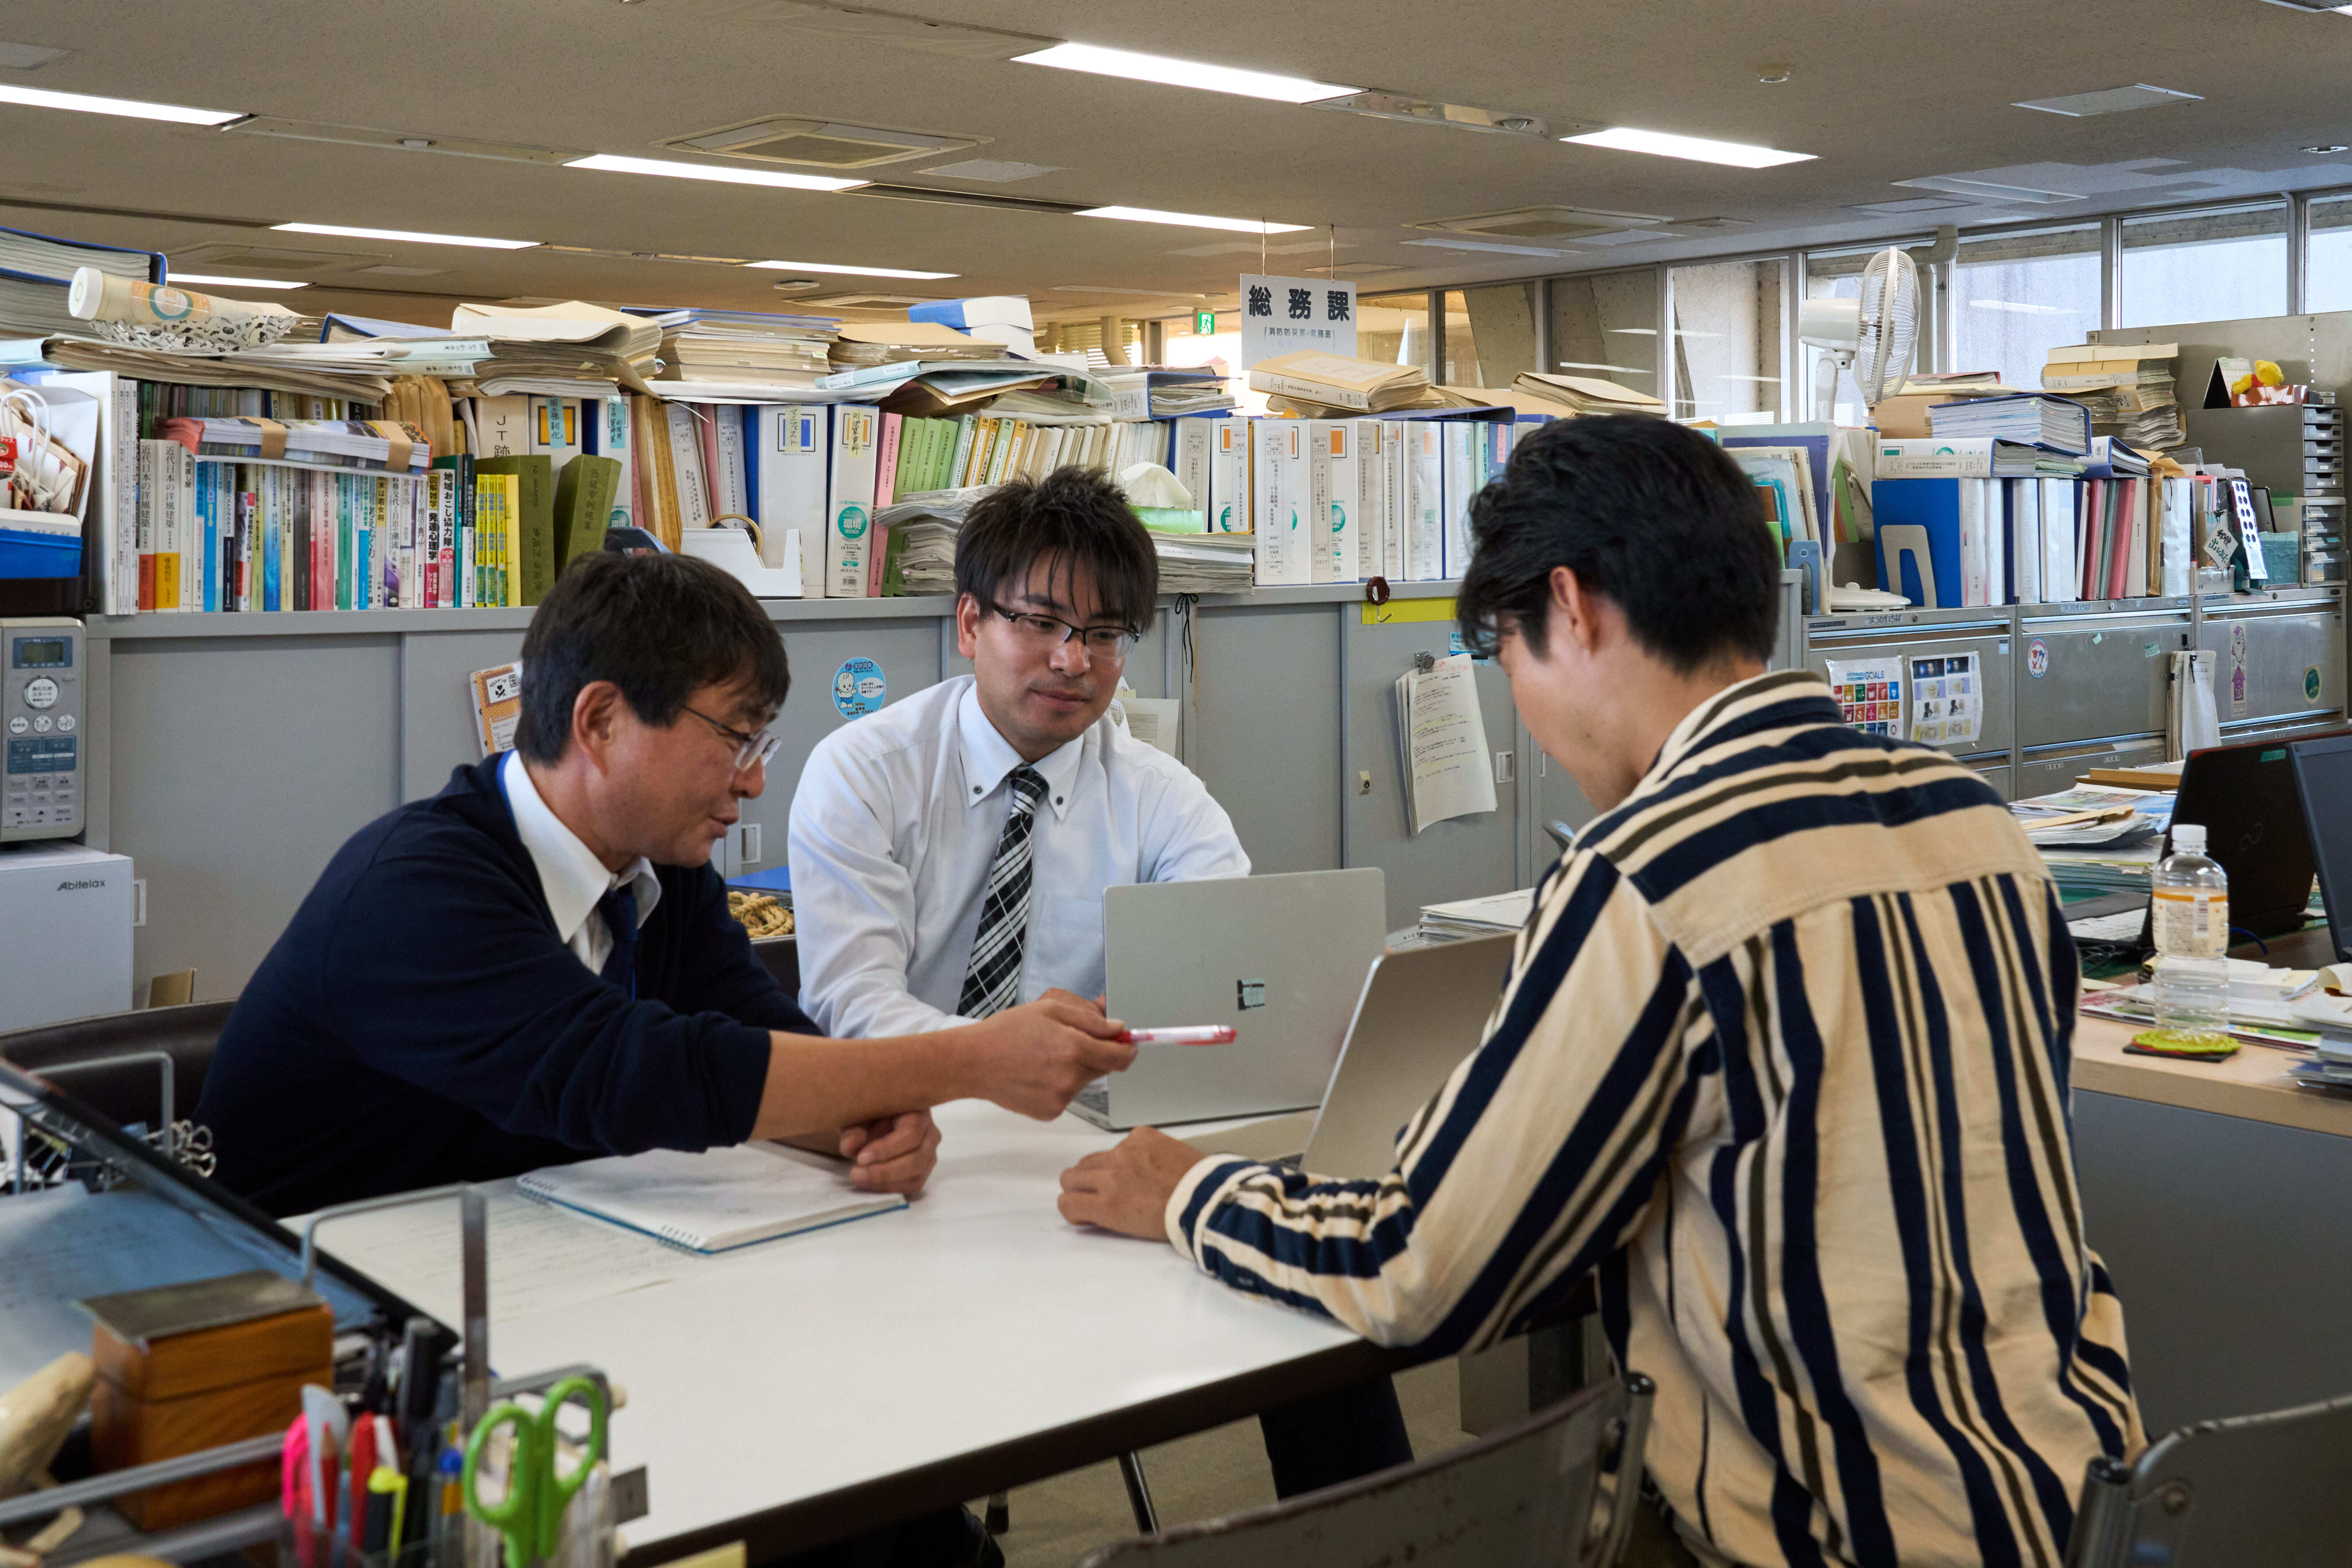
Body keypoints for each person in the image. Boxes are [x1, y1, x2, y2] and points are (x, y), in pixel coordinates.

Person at [1057, 416, 2142, 1568]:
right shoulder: (1972, 821)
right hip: (2076, 1511)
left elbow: (1423, 1269)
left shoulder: (1652, 866)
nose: (1517, 702)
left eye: (1507, 657)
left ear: (1569, 610)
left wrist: (1189, 1190)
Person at [789, 465, 1414, 1501]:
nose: (1072, 660)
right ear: (968, 621)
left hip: (1101, 1147)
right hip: (922, 1152)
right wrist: (992, 1061)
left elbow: (1240, 970)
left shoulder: (1157, 792)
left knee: (1298, 1276)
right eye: (1039, 621)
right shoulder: (866, 770)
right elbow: (851, 1005)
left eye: (1106, 633)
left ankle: (1369, 1528)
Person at [198, 551, 1135, 1222]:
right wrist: (970, 1061)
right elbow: (635, 1072)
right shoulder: (413, 893)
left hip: (534, 1258)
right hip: (312, 1319)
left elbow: (747, 1031)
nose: (754, 778)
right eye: (735, 738)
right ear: (601, 720)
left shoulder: (662, 867)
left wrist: (859, 1123)